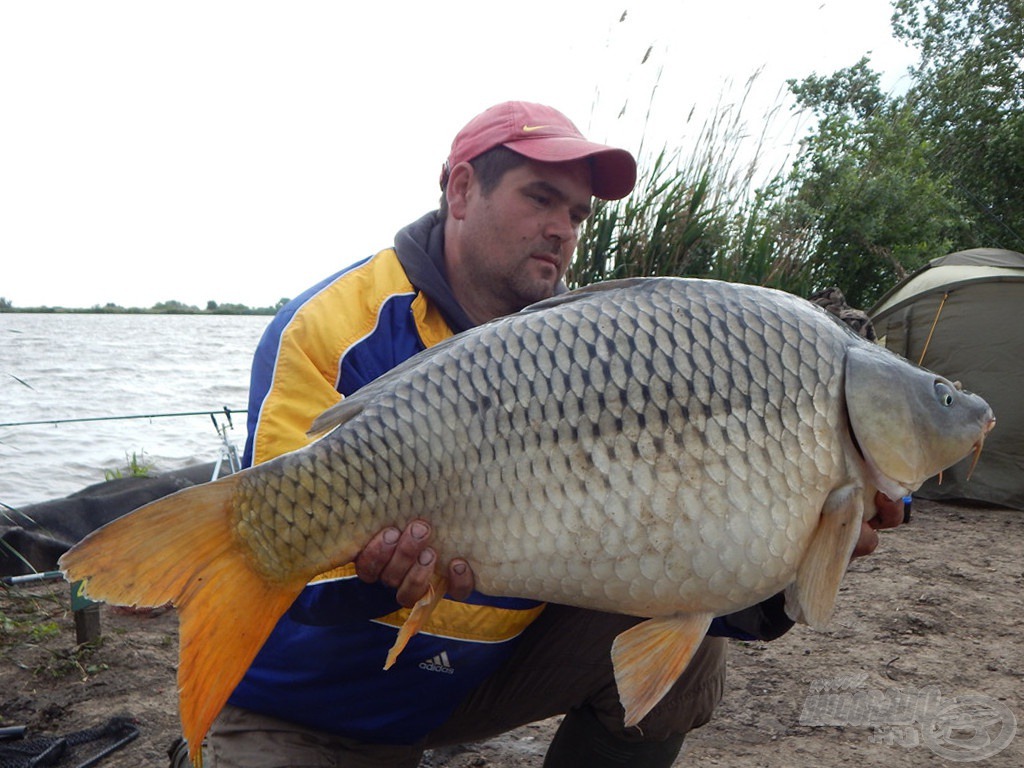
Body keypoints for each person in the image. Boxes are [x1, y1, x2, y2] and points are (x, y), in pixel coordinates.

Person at [174, 101, 904, 768]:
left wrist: (789, 566)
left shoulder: (589, 350)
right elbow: (291, 581)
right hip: (302, 707)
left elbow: (658, 552)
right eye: (540, 198)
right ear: (462, 191)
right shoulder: (336, 327)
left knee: (695, 649)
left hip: (465, 688)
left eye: (579, 214)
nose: (563, 228)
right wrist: (375, 578)